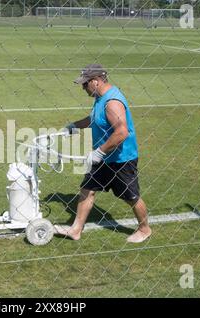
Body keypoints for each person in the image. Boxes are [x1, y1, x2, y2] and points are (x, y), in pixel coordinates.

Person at [55, 64, 152, 243]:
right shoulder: (100, 98)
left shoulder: (112, 102)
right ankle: (76, 229)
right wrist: (74, 126)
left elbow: (122, 132)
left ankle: (144, 229)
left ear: (96, 82)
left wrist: (99, 152)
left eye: (85, 84)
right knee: (87, 190)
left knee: (131, 196)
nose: (83, 88)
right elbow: (94, 119)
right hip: (103, 157)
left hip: (121, 160)